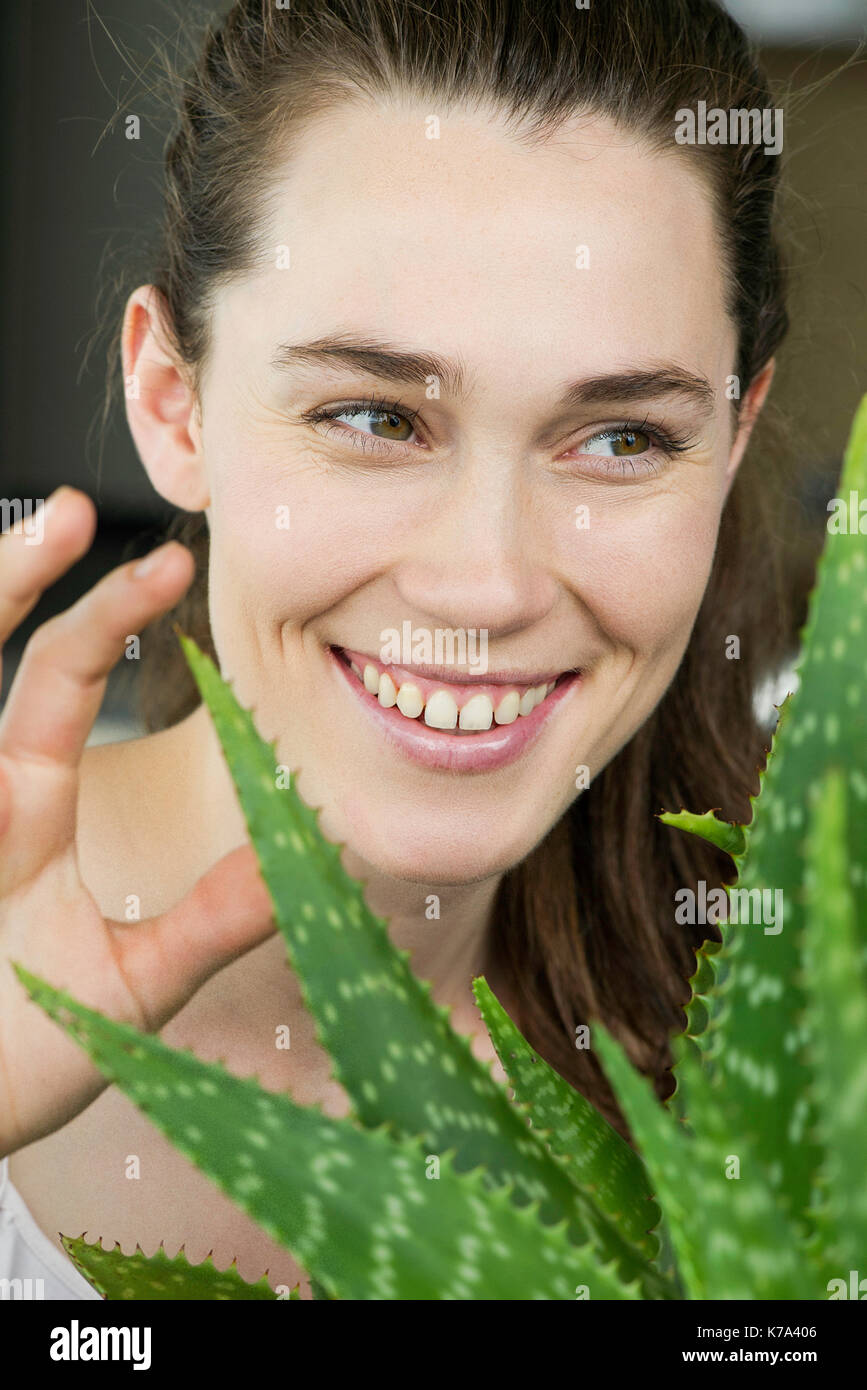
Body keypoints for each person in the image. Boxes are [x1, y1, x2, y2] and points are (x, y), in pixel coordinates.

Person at [0, 0, 797, 1299]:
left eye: (623, 439)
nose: (483, 583)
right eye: (376, 414)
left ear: (738, 438)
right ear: (173, 404)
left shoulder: (797, 1071)